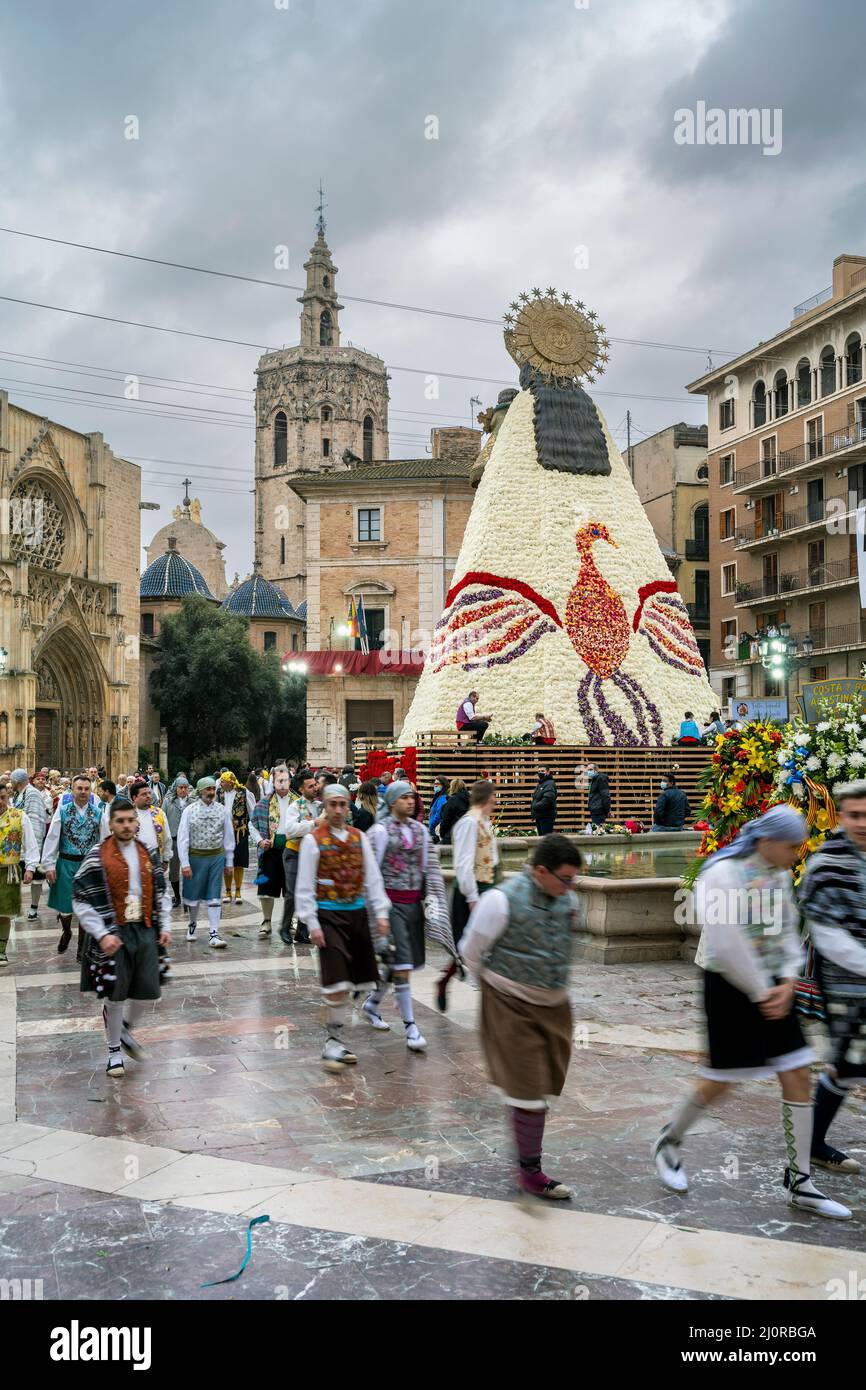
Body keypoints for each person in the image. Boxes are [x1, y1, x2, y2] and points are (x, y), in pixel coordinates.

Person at [652, 805, 850, 1221]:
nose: (799, 854)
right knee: (722, 1080)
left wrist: (790, 980)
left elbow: (788, 930)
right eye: (793, 846)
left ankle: (800, 1181)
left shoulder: (778, 873)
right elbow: (728, 944)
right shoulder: (722, 874)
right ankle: (669, 1140)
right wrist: (764, 991)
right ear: (768, 841)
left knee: (797, 1071)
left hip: (776, 986)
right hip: (730, 987)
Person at [462, 834, 584, 1200]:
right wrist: (491, 992)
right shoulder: (500, 900)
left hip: (555, 1007)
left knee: (544, 1083)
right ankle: (530, 1172)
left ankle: (528, 1162)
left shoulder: (569, 899)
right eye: (565, 878)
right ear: (541, 871)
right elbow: (471, 949)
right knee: (528, 1088)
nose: (571, 886)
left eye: (574, 878)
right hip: (510, 1003)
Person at [73, 797, 172, 1077]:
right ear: (111, 824)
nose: (127, 825)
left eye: (130, 820)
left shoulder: (148, 852)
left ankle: (126, 1029)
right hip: (113, 931)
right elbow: (81, 898)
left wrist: (163, 926)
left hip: (144, 928)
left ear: (136, 822)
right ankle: (114, 1050)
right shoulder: (97, 855)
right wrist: (101, 933)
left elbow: (162, 893)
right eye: (121, 821)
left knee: (148, 991)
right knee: (115, 994)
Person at [295, 784, 391, 1072]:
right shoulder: (314, 841)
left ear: (349, 806)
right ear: (324, 806)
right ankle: (333, 1042)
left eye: (342, 804)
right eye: (333, 804)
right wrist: (311, 922)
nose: (338, 810)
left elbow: (372, 877)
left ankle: (337, 1036)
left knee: (353, 980)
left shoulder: (358, 837)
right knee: (336, 980)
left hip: (357, 914)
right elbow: (304, 884)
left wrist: (382, 911)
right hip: (328, 916)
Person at [798, 780, 866, 1176]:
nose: (861, 823)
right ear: (841, 815)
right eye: (855, 815)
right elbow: (830, 939)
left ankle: (812, 1143)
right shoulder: (826, 864)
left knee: (852, 1064)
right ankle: (812, 1145)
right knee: (847, 1063)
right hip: (846, 985)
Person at [364, 781, 454, 1051]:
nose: (410, 801)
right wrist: (375, 912)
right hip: (390, 906)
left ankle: (372, 1002)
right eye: (404, 798)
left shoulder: (421, 831)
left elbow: (431, 870)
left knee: (399, 963)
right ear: (391, 802)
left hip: (413, 906)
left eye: (412, 797)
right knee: (402, 965)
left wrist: (434, 905)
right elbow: (369, 872)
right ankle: (410, 1027)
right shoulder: (380, 832)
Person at [43, 773, 105, 958]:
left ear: (90, 790)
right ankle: (67, 930)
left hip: (89, 865)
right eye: (79, 788)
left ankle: (82, 947)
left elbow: (105, 840)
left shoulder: (98, 813)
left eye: (86, 788)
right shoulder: (62, 810)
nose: (83, 792)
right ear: (72, 789)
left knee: (87, 908)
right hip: (66, 862)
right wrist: (49, 865)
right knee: (65, 906)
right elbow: (52, 837)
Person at [177, 777, 235, 949]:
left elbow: (229, 837)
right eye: (207, 789)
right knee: (193, 895)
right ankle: (192, 923)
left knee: (214, 894)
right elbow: (182, 838)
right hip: (195, 857)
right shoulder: (189, 811)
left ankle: (214, 933)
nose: (211, 792)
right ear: (200, 791)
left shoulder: (223, 811)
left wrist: (229, 861)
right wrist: (185, 863)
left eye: (213, 789)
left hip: (216, 857)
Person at [451, 780, 500, 947]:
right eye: (493, 795)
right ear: (488, 797)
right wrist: (472, 898)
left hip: (484, 890)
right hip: (471, 894)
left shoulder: (483, 821)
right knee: (468, 948)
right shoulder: (469, 822)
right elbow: (463, 863)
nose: (495, 799)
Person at [249, 766, 294, 937]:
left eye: (285, 780)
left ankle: (289, 922)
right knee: (266, 887)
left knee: (291, 888)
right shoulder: (263, 803)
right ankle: (266, 921)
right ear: (273, 782)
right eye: (279, 781)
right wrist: (260, 841)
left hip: (292, 850)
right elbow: (251, 825)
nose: (282, 784)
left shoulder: (298, 802)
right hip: (270, 850)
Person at [280, 768, 322, 945]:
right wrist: (313, 824)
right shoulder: (295, 807)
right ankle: (284, 927)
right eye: (310, 786)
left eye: (315, 785)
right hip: (294, 853)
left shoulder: (320, 806)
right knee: (292, 892)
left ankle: (302, 931)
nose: (315, 788)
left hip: (313, 854)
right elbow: (289, 830)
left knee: (310, 890)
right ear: (302, 789)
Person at [0, 779, 39, 965]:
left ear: (7, 797)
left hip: (9, 870)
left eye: (2, 798)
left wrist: (30, 868)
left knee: (4, 913)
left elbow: (30, 843)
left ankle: (1, 950)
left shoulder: (19, 816)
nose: (0, 801)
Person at [9, 768, 47, 922]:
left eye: (12, 780)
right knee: (17, 878)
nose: (11, 784)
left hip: (31, 844)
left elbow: (36, 822)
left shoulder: (32, 793)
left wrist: (35, 849)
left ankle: (33, 908)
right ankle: (16, 908)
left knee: (36, 878)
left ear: (17, 781)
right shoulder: (19, 794)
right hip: (19, 845)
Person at [217, 772, 256, 904]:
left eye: (223, 781)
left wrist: (253, 828)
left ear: (231, 782)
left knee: (239, 863)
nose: (221, 784)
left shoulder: (244, 792)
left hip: (240, 832)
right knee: (226, 863)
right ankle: (228, 891)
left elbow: (252, 811)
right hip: (224, 832)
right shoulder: (219, 793)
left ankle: (238, 892)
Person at [162, 775, 191, 908]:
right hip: (173, 840)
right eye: (181, 787)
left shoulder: (193, 803)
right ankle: (177, 896)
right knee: (174, 871)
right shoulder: (168, 801)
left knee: (188, 869)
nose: (183, 790)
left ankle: (188, 896)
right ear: (176, 788)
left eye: (185, 788)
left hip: (189, 842)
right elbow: (162, 820)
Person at [576, 763, 610, 828]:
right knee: (596, 830)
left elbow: (605, 795)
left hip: (599, 810)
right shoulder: (594, 779)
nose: (588, 772)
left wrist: (607, 810)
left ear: (596, 770)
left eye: (590, 769)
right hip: (595, 810)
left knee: (598, 831)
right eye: (587, 770)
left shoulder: (600, 779)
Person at [437, 777, 469, 846]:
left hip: (453, 836)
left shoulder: (452, 801)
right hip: (468, 836)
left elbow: (445, 820)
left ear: (452, 788)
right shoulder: (471, 800)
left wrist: (443, 835)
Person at [531, 768, 557, 836]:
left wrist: (535, 806)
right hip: (540, 816)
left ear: (548, 772)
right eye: (539, 771)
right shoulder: (541, 783)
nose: (540, 773)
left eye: (542, 771)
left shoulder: (549, 784)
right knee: (542, 838)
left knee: (546, 838)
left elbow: (548, 799)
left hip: (546, 816)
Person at [427, 776, 449, 842]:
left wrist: (431, 826)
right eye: (435, 784)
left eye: (438, 784)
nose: (435, 786)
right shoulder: (438, 797)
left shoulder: (442, 798)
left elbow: (439, 815)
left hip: (436, 832)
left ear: (443, 785)